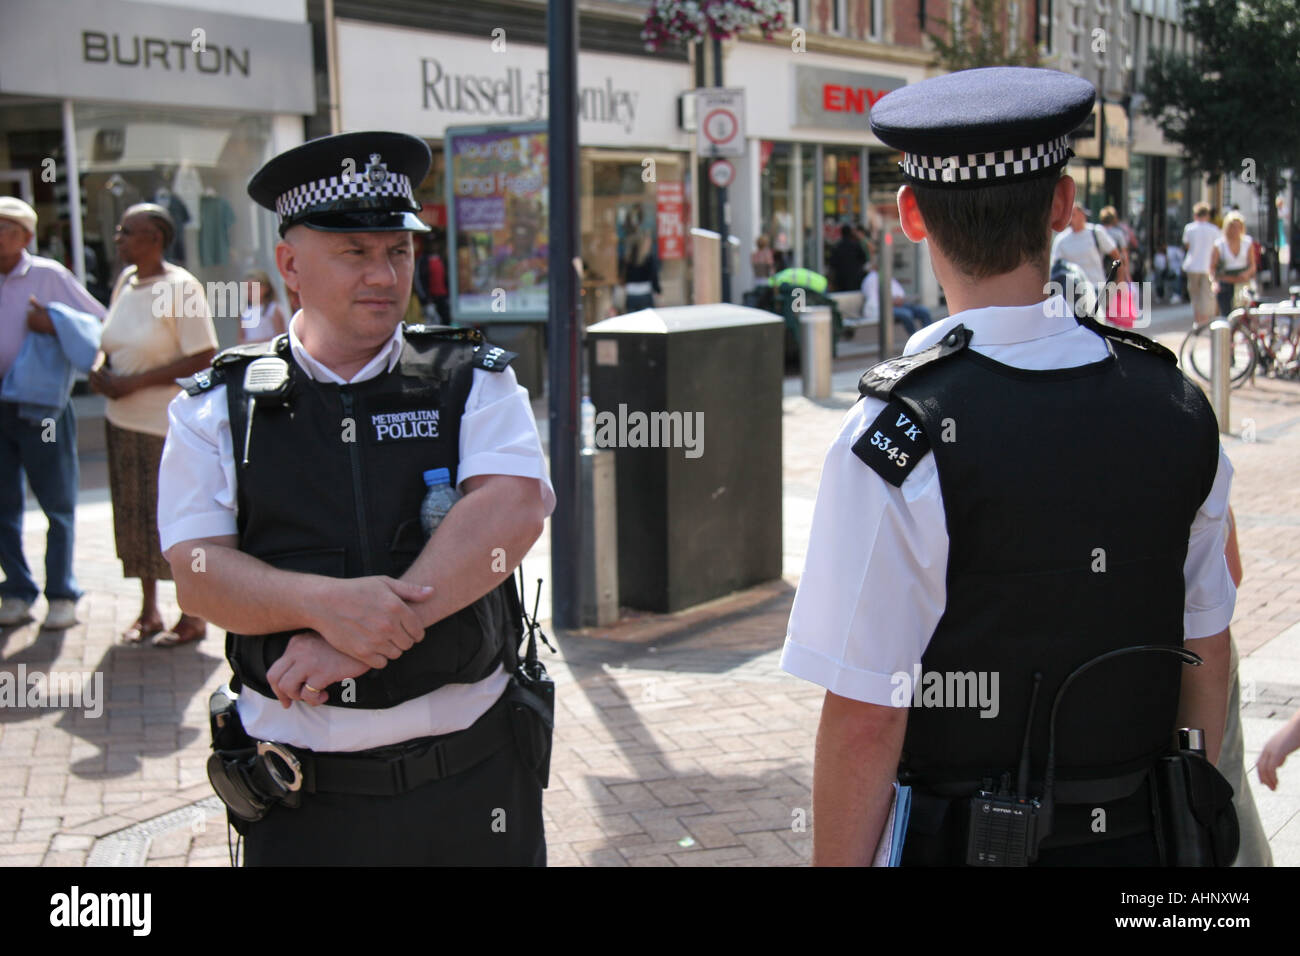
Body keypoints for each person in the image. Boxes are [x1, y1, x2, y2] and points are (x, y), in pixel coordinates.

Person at [781, 66, 1235, 867]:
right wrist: (1192, 802)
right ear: (1062, 206)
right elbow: (1207, 644)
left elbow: (866, 715)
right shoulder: (1177, 405)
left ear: (911, 217)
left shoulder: (896, 433)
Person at [157, 131, 554, 866]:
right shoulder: (219, 405)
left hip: (474, 784)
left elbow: (513, 510)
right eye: (355, 252)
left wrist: (366, 631)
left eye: (397, 251)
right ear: (290, 265)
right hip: (304, 801)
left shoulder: (469, 374)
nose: (384, 273)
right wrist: (324, 606)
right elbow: (198, 572)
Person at [92, 203, 218, 647]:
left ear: (155, 239)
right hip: (121, 422)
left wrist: (133, 382)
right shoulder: (126, 282)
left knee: (173, 521)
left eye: (128, 232)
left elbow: (204, 355)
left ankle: (194, 615)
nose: (118, 238)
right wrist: (101, 367)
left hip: (163, 427)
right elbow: (111, 338)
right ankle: (148, 611)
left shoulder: (179, 288)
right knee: (133, 518)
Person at [0, 198, 106, 629]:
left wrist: (55, 324)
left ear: (25, 236)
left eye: (5, 228)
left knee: (57, 504)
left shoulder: (48, 275)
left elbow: (98, 324)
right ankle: (17, 591)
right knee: (2, 505)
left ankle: (61, 593)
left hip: (41, 408)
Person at [1050, 202, 1121, 299]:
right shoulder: (1061, 240)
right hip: (1074, 292)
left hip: (1097, 288)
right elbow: (1054, 267)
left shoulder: (1096, 232)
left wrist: (1118, 284)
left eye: (1073, 214)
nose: (1071, 219)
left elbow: (1116, 256)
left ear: (1082, 215)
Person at [860, 264, 932, 336]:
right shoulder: (870, 279)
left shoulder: (887, 276)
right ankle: (914, 336)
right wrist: (891, 301)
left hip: (899, 304)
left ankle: (929, 336)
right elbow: (873, 300)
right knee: (906, 314)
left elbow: (900, 292)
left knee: (923, 310)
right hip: (884, 308)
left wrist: (899, 299)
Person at [1210, 211, 1256, 319]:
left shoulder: (1247, 243)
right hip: (1226, 283)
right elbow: (1212, 268)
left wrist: (1247, 273)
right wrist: (1214, 282)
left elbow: (1252, 265)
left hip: (1242, 284)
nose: (1235, 230)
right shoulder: (1220, 244)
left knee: (1245, 316)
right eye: (1232, 227)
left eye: (1238, 227)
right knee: (1227, 316)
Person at [1183, 202, 1221, 327]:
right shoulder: (1214, 230)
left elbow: (1187, 246)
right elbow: (1217, 249)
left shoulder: (1189, 228)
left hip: (1192, 266)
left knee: (1195, 295)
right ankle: (1204, 320)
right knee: (1206, 294)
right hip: (1207, 266)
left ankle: (1198, 320)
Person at [238, 269, 288, 344]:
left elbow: (280, 336)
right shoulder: (244, 311)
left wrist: (257, 343)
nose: (249, 292)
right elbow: (240, 338)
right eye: (246, 289)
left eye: (252, 288)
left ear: (265, 288)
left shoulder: (273, 309)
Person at [620, 229, 660, 312]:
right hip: (645, 293)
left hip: (631, 294)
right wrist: (658, 290)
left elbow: (623, 276)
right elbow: (653, 276)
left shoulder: (627, 259)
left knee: (633, 321)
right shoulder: (648, 258)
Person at [828, 223, 868, 292]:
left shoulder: (837, 247)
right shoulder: (856, 246)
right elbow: (864, 259)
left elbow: (832, 264)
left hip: (841, 280)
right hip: (855, 279)